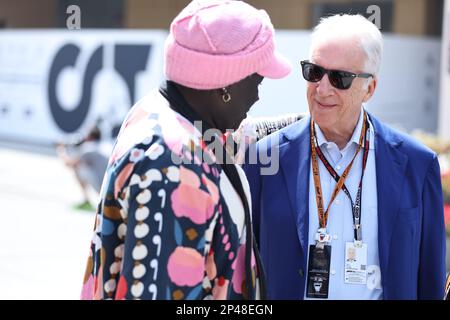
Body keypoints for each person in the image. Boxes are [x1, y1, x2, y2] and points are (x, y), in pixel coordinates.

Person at [81, 0, 291, 300]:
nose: (258, 94)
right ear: (225, 85)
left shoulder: (165, 113)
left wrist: (313, 122)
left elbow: (232, 142)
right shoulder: (173, 166)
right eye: (257, 79)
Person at [243, 14, 446, 299]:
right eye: (314, 72)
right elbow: (241, 274)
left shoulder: (417, 164)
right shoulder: (264, 159)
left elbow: (431, 280)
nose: (322, 89)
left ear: (370, 88)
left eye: (339, 78)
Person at [56, 125, 108, 211]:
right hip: (110, 186)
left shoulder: (89, 147)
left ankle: (86, 201)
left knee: (78, 169)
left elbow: (69, 163)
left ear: (89, 136)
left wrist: (61, 149)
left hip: (103, 188)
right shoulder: (103, 145)